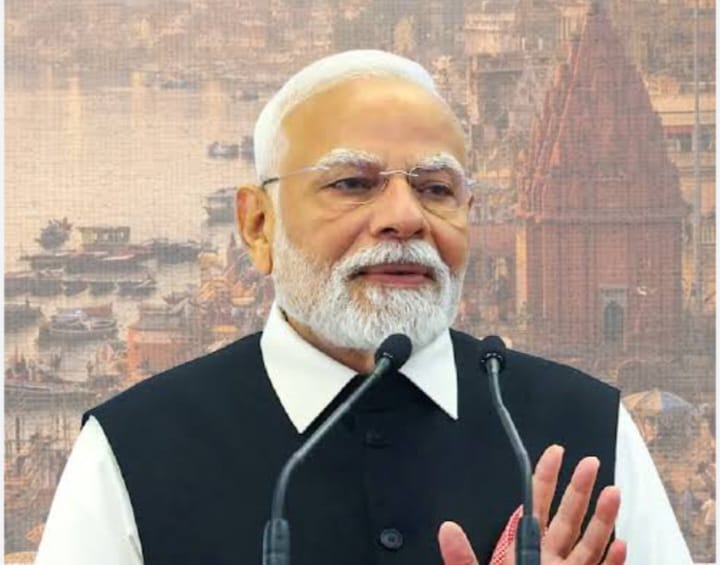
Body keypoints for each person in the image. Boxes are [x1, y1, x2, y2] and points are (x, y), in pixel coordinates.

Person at [35, 50, 692, 565]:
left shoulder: (588, 433)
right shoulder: (130, 454)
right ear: (258, 224)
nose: (405, 216)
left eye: (436, 188)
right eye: (353, 183)